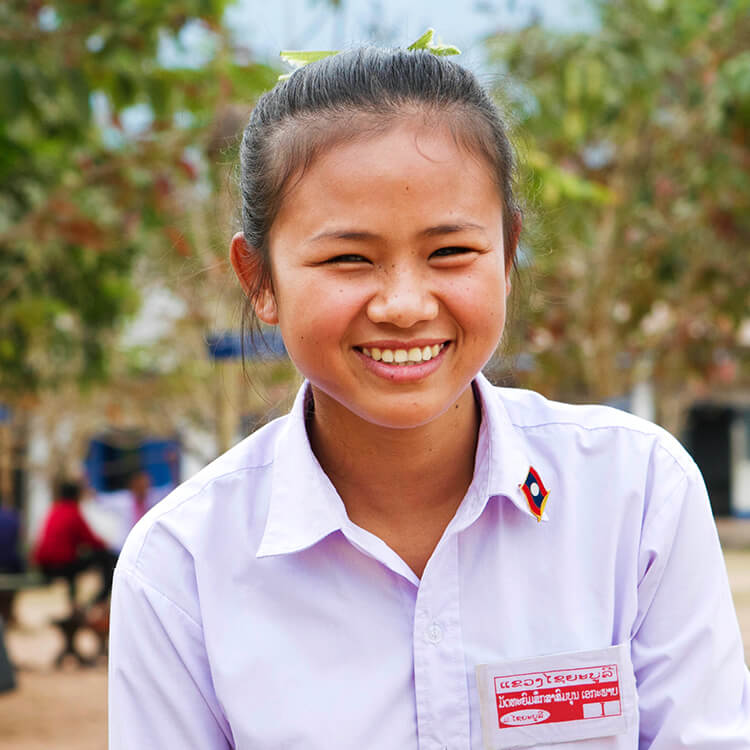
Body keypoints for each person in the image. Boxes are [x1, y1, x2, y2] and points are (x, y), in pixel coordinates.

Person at [108, 43, 750, 749]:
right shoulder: (179, 569)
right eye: (347, 258)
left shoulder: (637, 495)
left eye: (449, 253)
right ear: (259, 278)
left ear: (507, 256)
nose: (405, 305)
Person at [34, 480, 117, 606]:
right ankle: (101, 598)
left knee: (89, 558)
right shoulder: (73, 512)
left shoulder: (55, 510)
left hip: (45, 565)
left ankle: (78, 605)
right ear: (76, 496)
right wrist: (108, 546)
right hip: (62, 565)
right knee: (106, 558)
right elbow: (92, 541)